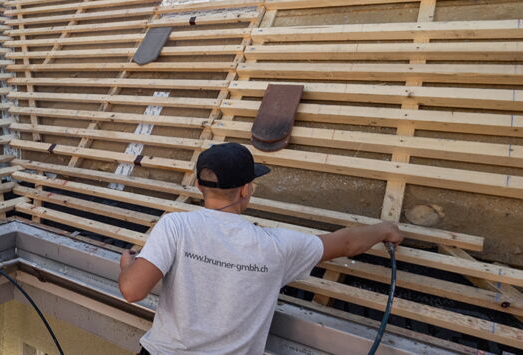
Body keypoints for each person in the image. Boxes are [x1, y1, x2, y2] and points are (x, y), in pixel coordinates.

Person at [117, 142, 404, 355]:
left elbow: (132, 290)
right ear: (245, 190)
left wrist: (127, 266)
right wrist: (384, 230)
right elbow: (346, 243)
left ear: (198, 185)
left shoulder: (175, 226)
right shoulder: (276, 246)